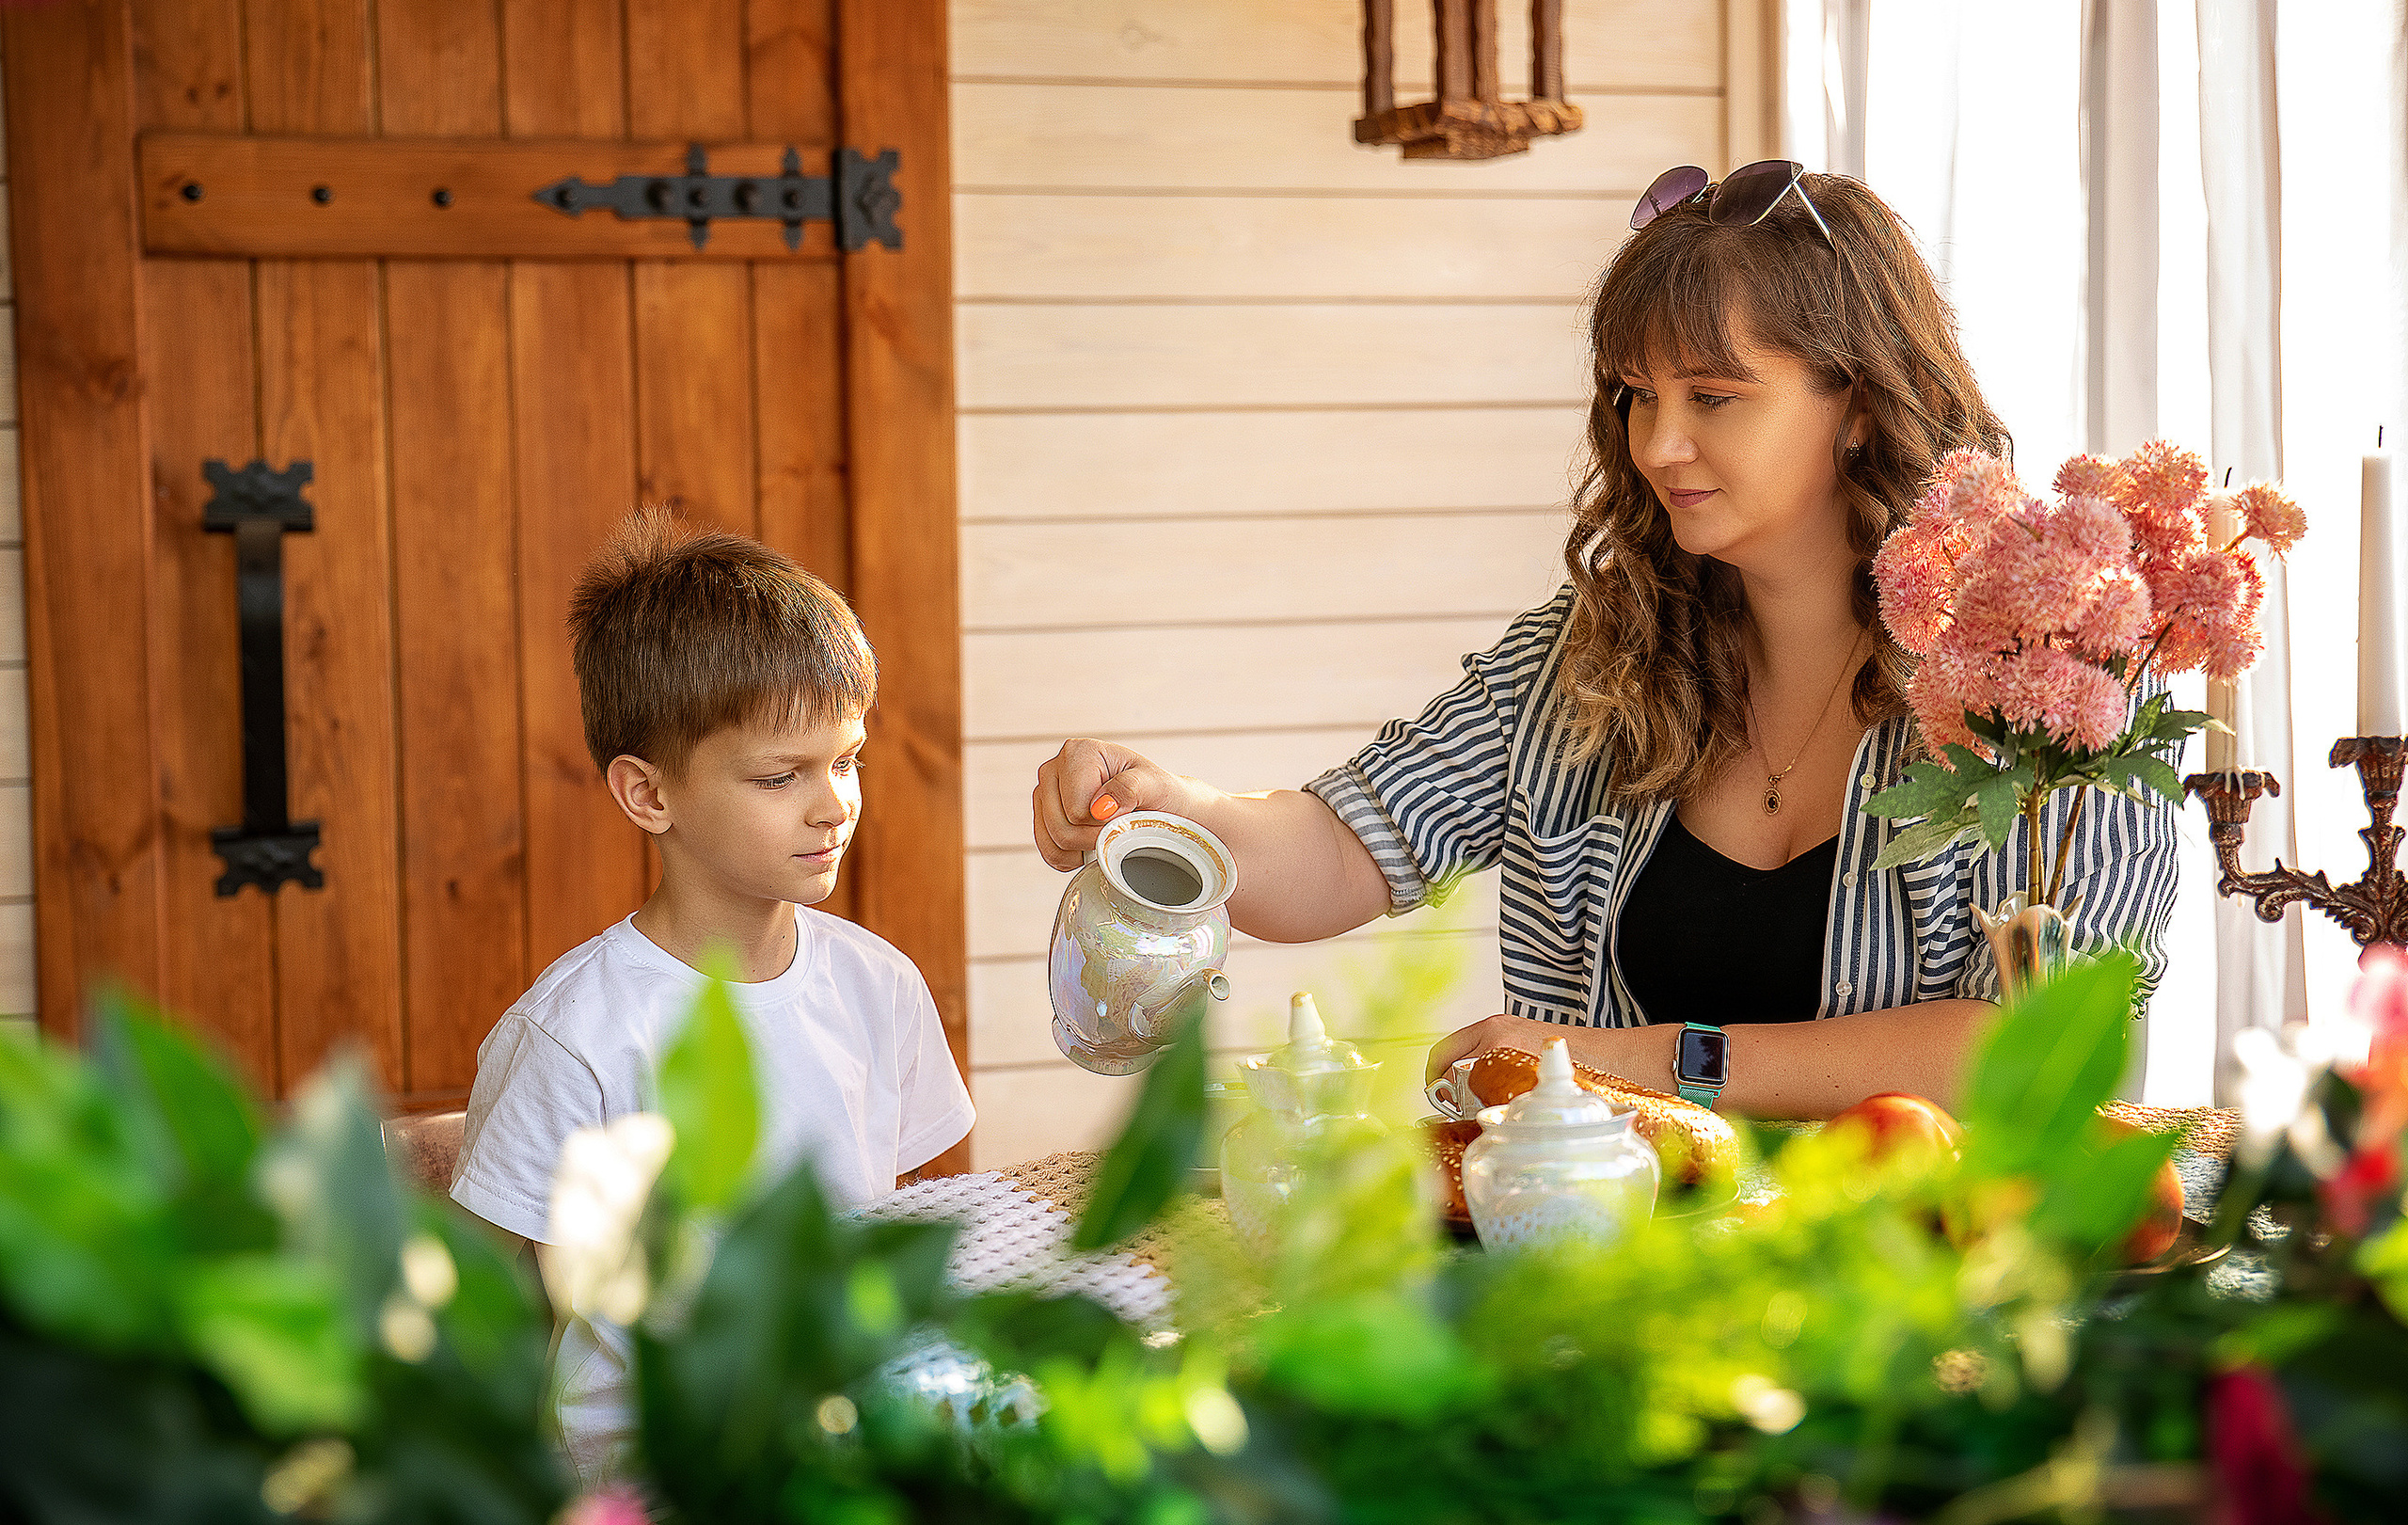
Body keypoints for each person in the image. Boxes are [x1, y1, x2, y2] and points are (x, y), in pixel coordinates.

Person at [1032, 163, 2177, 1120]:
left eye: (1712, 397)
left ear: (1860, 404)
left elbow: (2048, 1051)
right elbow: (1338, 852)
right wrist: (1174, 808)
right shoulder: (1588, 661)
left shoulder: (2049, 687)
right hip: (1619, 1271)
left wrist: (1640, 1063)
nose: (1658, 443)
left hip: (1935, 1267)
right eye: (1635, 394)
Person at [451, 510, 973, 1480]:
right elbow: (468, 1317)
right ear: (649, 795)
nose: (834, 803)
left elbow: (894, 1231)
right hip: (642, 1475)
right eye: (781, 776)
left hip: (834, 1446)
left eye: (847, 760)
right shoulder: (576, 1033)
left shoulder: (879, 984)